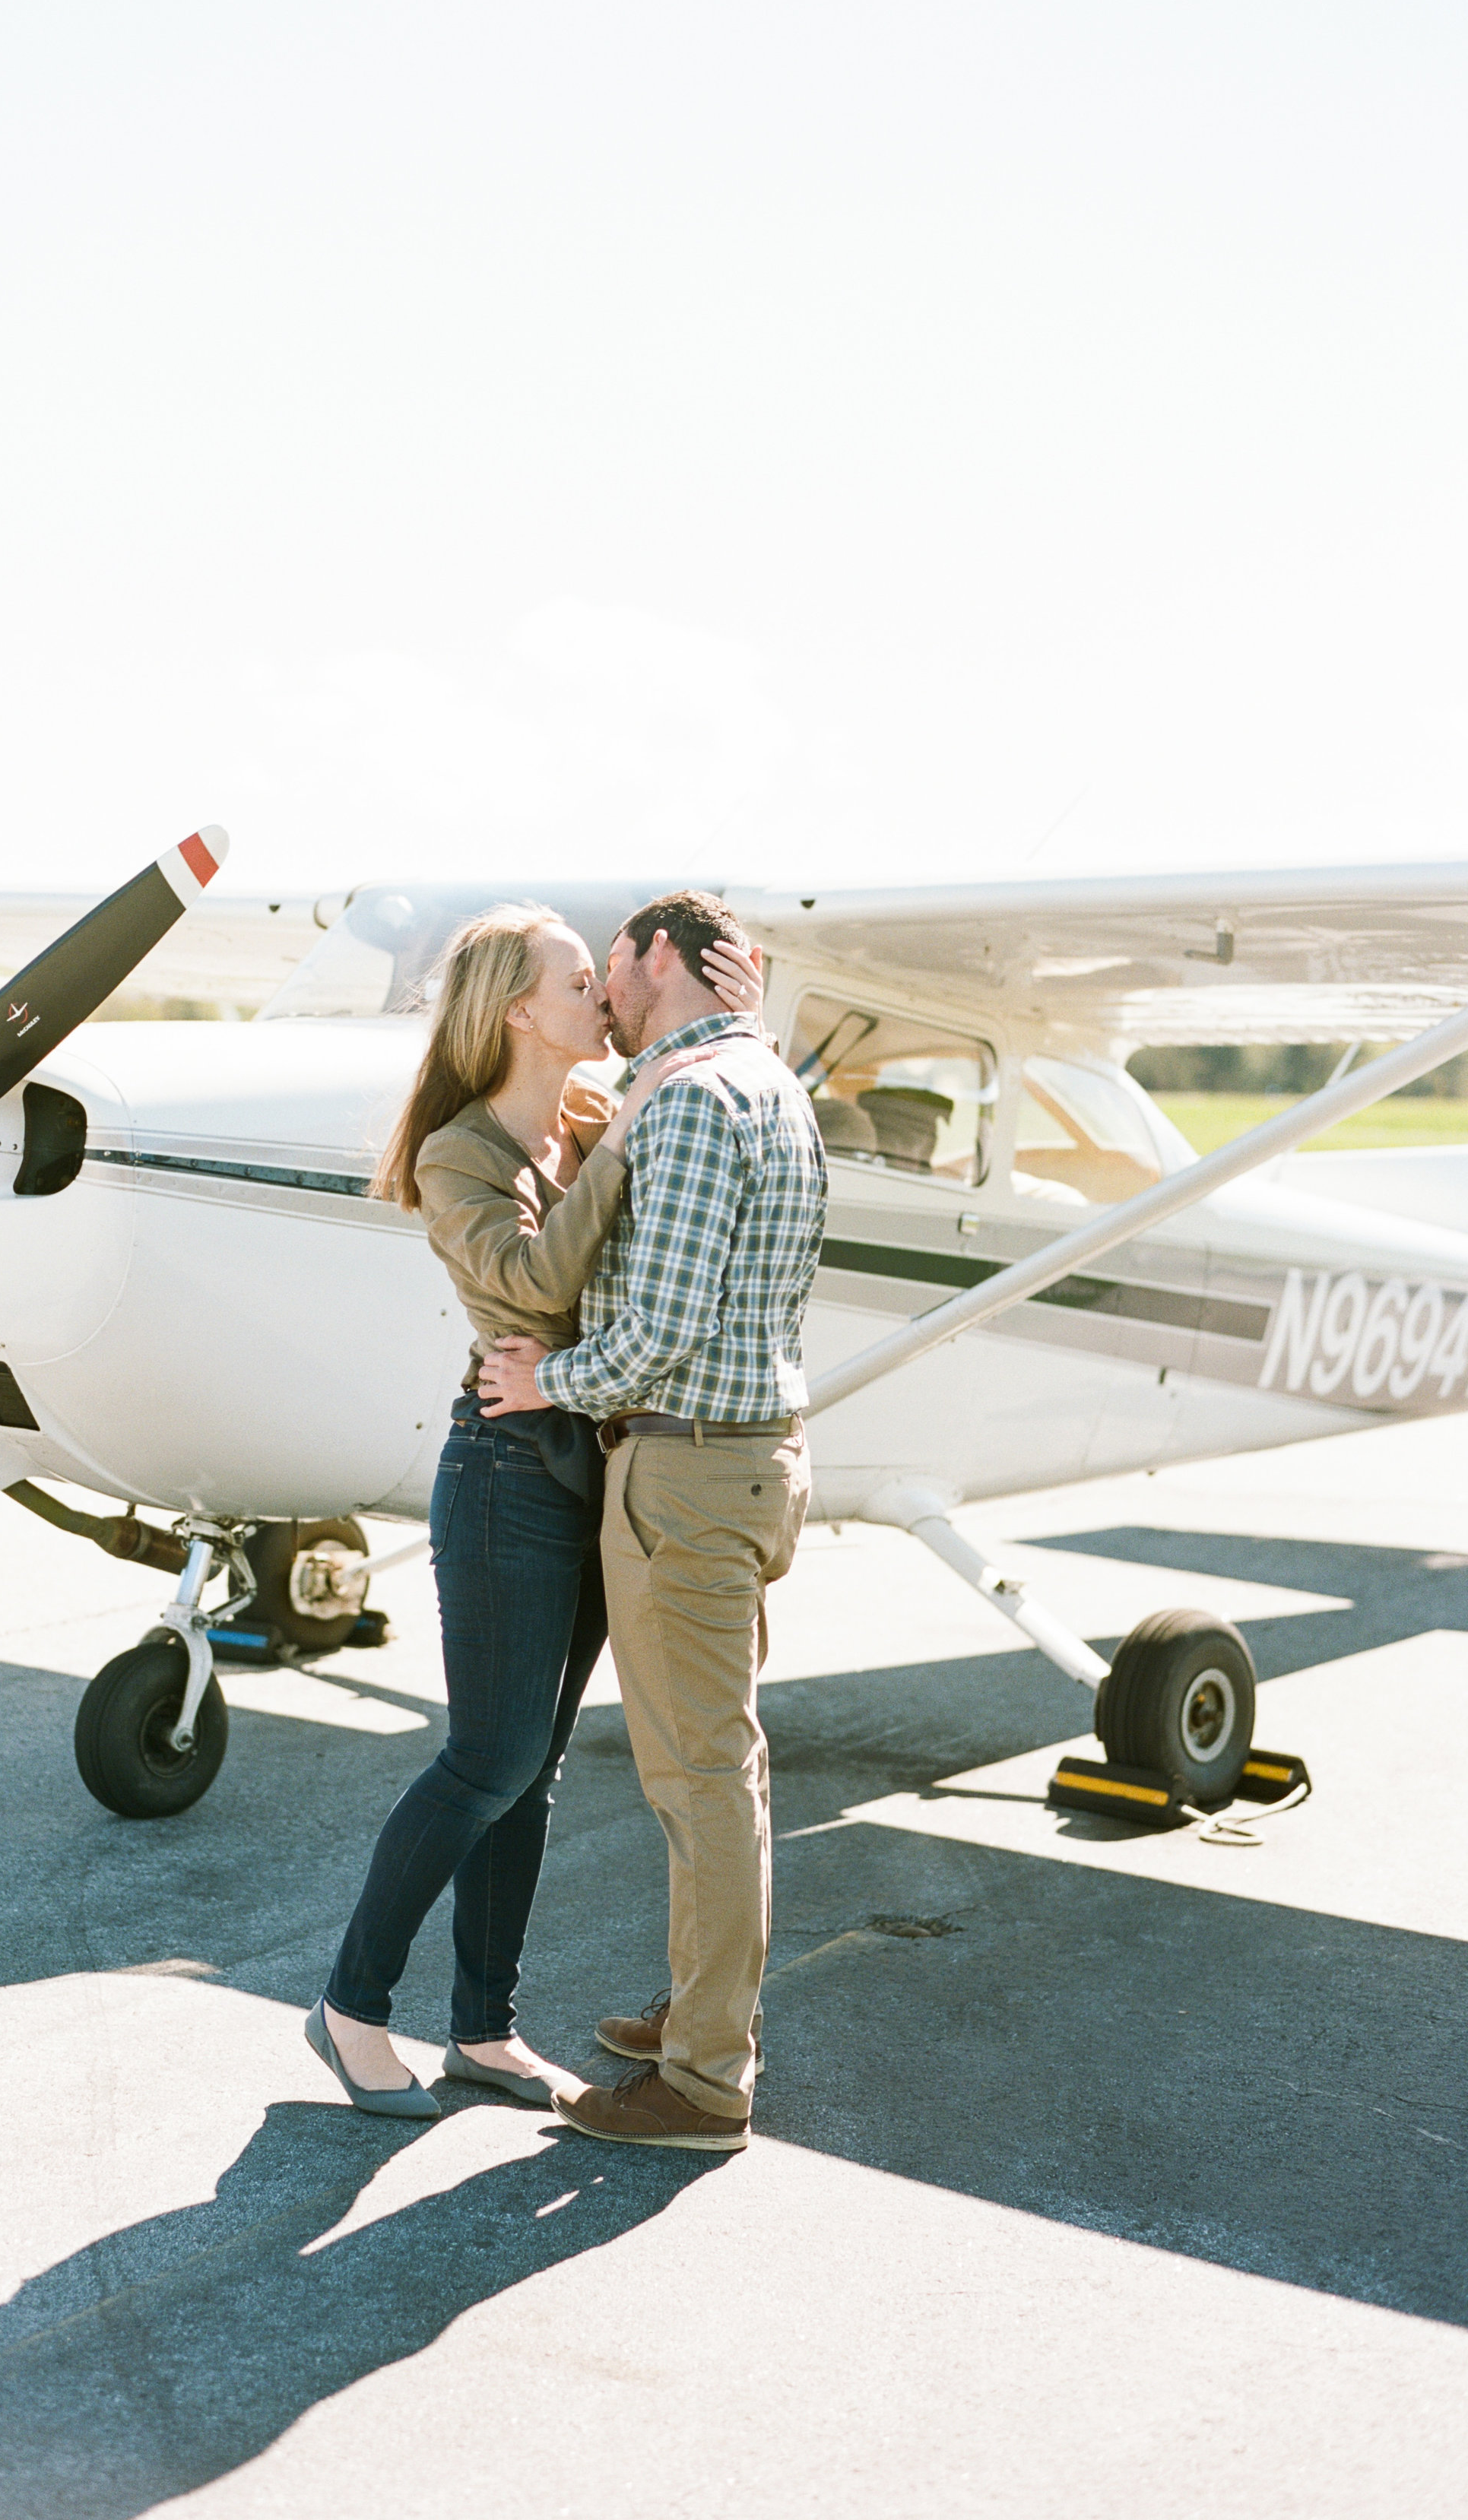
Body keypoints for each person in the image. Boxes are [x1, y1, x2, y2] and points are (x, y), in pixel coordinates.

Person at [306, 902, 764, 2119]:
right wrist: (627, 1136)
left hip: (592, 1467)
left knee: (535, 1768)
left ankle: (485, 2030)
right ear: (518, 1008)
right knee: (488, 1756)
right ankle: (352, 2005)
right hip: (506, 1473)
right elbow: (529, 1281)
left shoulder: (583, 1118)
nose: (600, 997)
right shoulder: (464, 1151)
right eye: (577, 980)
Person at [479, 889, 827, 2153]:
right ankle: (701, 2007)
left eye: (613, 968)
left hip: (684, 1472)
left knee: (699, 1777)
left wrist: (539, 1381)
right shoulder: (762, 1078)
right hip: (749, 1464)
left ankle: (704, 2080)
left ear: (657, 957)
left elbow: (662, 1328)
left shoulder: (683, 1105)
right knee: (713, 1771)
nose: (604, 995)